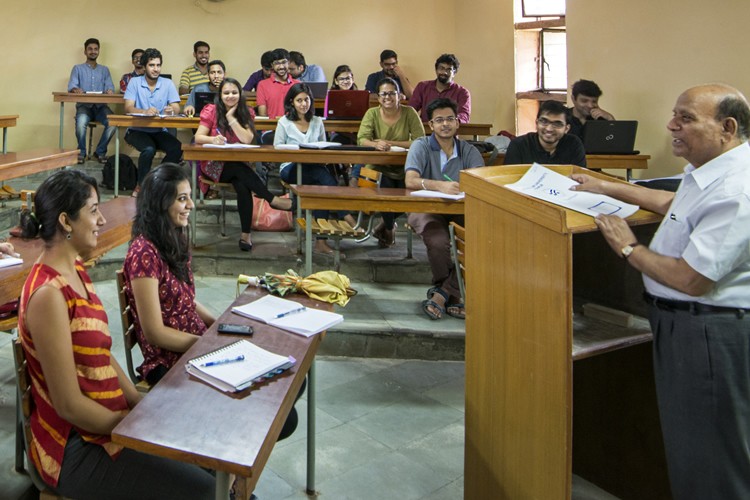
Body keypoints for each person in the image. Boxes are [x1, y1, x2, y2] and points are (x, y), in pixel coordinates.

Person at [570, 83, 750, 500]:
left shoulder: (737, 191)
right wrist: (606, 187)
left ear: (726, 127)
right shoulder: (711, 168)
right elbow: (670, 203)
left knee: (710, 454)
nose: (671, 125)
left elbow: (691, 278)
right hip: (685, 325)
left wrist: (627, 245)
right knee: (692, 445)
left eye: (685, 119)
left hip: (708, 332)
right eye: (675, 114)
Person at [16, 169, 214, 499]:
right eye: (93, 211)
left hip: (105, 423)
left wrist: (138, 402)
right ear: (66, 221)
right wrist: (129, 425)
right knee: (207, 490)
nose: (101, 220)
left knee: (209, 460)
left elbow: (99, 352)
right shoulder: (48, 294)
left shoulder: (75, 269)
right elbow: (69, 406)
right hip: (76, 446)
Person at [123, 164, 215, 385]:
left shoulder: (172, 238)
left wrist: (219, 326)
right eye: (182, 199)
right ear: (160, 204)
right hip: (168, 359)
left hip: (193, 344)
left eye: (189, 197)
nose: (191, 205)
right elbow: (155, 333)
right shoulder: (143, 253)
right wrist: (206, 344)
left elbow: (187, 301)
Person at [405, 98, 484, 320]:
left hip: (461, 209)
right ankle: (453, 294)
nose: (445, 124)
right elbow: (410, 180)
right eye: (439, 120)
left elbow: (481, 182)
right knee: (438, 241)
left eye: (450, 119)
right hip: (425, 207)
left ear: (458, 123)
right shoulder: (420, 146)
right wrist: (439, 185)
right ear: (431, 125)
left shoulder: (468, 151)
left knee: (479, 238)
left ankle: (442, 293)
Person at [194, 78, 292, 251]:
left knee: (242, 184)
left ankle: (245, 235)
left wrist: (232, 117)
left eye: (234, 92)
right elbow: (198, 137)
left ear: (240, 94)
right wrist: (213, 139)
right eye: (226, 93)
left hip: (238, 166)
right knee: (239, 169)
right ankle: (271, 199)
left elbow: (246, 138)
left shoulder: (246, 112)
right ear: (220, 95)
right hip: (214, 165)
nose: (230, 96)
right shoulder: (211, 110)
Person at [274, 83, 354, 254]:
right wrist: (299, 151)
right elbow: (278, 148)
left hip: (314, 169)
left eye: (307, 100)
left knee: (322, 187)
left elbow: (323, 147)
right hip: (290, 168)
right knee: (324, 179)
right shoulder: (284, 122)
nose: (303, 104)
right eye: (299, 100)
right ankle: (345, 215)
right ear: (292, 102)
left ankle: (321, 242)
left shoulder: (317, 121)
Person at [357, 77, 425, 247]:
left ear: (400, 95)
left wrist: (391, 143)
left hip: (405, 168)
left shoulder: (409, 113)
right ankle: (389, 228)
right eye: (384, 94)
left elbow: (420, 141)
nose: (388, 97)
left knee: (410, 195)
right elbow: (362, 139)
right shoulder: (371, 113)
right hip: (377, 168)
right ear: (378, 98)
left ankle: (385, 224)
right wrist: (375, 144)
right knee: (385, 191)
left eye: (392, 93)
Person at [123, 48, 182, 192]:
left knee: (177, 147)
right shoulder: (135, 82)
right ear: (144, 67)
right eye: (152, 65)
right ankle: (141, 187)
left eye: (158, 65)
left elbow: (176, 107)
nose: (156, 69)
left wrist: (171, 110)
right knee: (149, 149)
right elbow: (128, 107)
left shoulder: (167, 83)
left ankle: (157, 179)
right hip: (136, 130)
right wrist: (144, 111)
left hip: (158, 130)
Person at [67, 37, 116, 164]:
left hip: (101, 107)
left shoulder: (104, 70)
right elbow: (72, 86)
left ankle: (99, 152)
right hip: (84, 106)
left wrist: (110, 91)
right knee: (80, 123)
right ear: (85, 52)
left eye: (95, 49)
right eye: (90, 49)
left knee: (114, 123)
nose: (93, 51)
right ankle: (81, 152)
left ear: (99, 51)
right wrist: (75, 89)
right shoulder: (77, 68)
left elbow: (110, 87)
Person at [504, 100, 586, 167]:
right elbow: (509, 180)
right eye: (544, 121)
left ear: (566, 128)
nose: (549, 129)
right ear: (536, 123)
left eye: (557, 124)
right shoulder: (519, 145)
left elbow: (579, 180)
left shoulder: (574, 144)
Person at [409, 54, 471, 123]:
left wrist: (449, 121)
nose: (444, 72)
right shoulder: (422, 87)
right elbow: (411, 109)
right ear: (436, 70)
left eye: (448, 69)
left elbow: (464, 116)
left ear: (454, 73)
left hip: (449, 131)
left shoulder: (462, 92)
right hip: (426, 131)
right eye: (441, 68)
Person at [256, 48, 299, 119]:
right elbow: (262, 115)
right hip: (271, 128)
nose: (281, 67)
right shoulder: (262, 85)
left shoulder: (298, 84)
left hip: (293, 128)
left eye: (284, 62)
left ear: (288, 63)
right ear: (272, 65)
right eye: (277, 63)